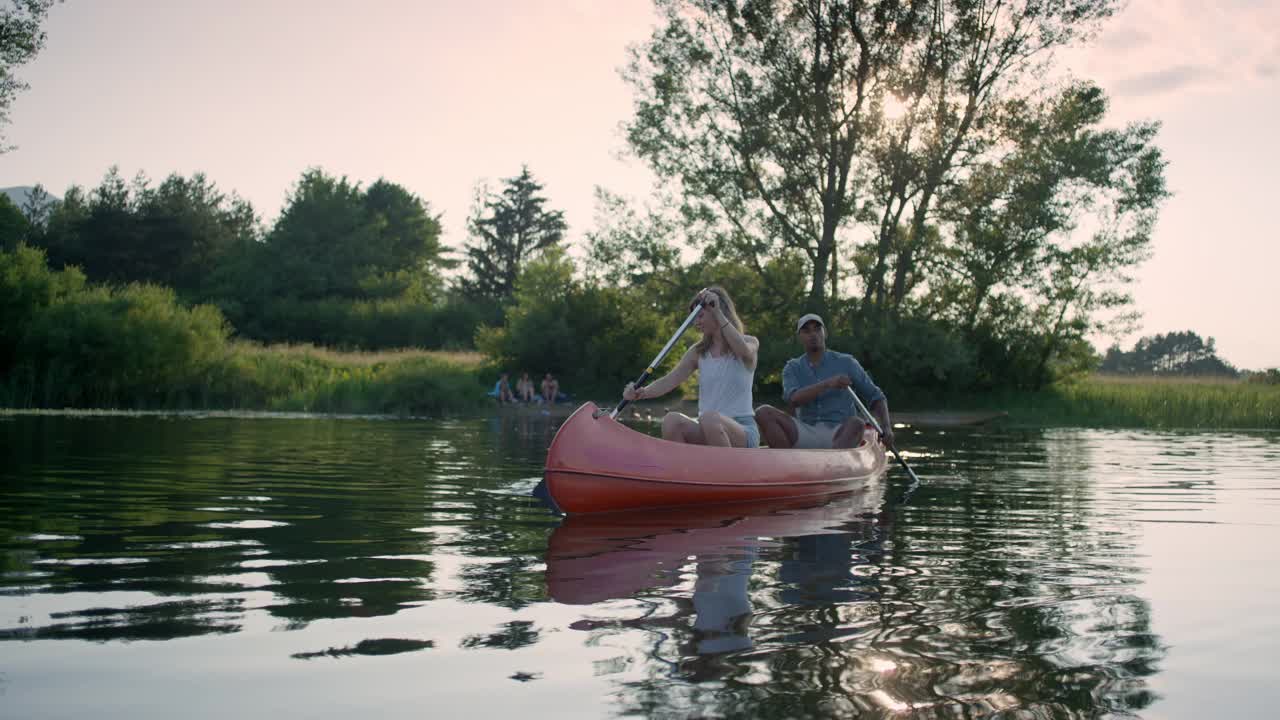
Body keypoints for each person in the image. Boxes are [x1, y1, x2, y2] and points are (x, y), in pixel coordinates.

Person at [622, 286, 760, 448]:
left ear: (718, 310)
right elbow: (669, 381)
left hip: (742, 431)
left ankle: (725, 470)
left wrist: (717, 312)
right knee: (671, 420)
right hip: (707, 426)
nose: (696, 323)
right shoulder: (698, 352)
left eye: (700, 316)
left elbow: (743, 351)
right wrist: (641, 393)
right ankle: (682, 471)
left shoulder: (750, 342)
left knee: (710, 419)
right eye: (694, 317)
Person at [754, 313, 895, 450]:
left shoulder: (847, 362)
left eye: (817, 329)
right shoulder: (792, 367)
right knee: (762, 412)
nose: (813, 334)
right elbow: (793, 399)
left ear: (825, 333)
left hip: (839, 431)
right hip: (805, 431)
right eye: (806, 331)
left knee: (857, 423)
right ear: (800, 338)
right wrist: (828, 383)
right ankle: (786, 464)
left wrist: (887, 428)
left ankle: (834, 465)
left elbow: (876, 397)